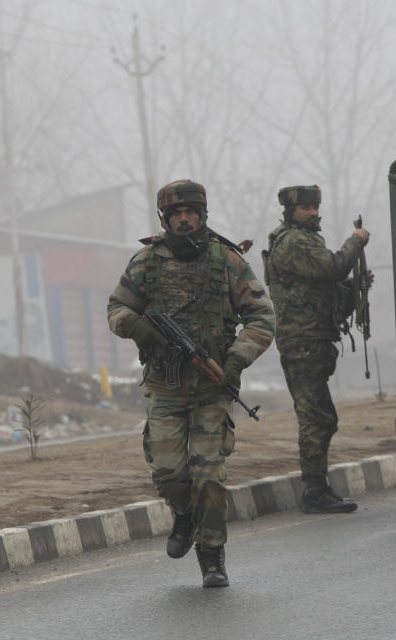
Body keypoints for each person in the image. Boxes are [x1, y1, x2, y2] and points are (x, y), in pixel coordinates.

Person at [107, 179, 274, 588]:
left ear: (202, 215)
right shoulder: (146, 262)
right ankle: (183, 515)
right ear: (165, 218)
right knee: (168, 473)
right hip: (165, 386)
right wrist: (140, 328)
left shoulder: (227, 261)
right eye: (176, 214)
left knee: (209, 476)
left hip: (211, 389)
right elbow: (117, 308)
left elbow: (262, 317)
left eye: (191, 213)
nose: (184, 220)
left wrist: (234, 362)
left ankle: (212, 556)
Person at [262, 184, 371, 513]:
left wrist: (354, 289)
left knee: (322, 418)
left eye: (315, 207)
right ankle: (314, 490)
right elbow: (334, 266)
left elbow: (322, 289)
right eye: (306, 208)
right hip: (303, 343)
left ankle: (317, 487)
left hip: (312, 340)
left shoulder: (303, 239)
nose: (314, 212)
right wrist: (356, 241)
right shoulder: (294, 241)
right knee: (316, 418)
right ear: (291, 212)